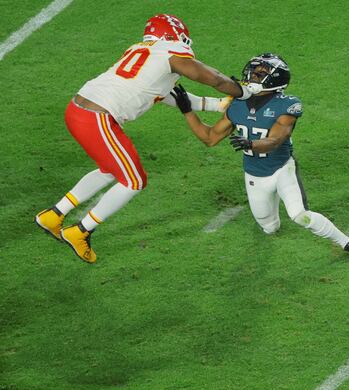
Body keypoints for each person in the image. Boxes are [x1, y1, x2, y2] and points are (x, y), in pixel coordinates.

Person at [34, 14, 261, 263]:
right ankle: (81, 231)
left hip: (79, 110)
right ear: (174, 35)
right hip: (98, 118)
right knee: (134, 181)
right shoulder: (171, 53)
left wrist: (219, 105)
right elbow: (213, 78)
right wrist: (242, 91)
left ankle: (54, 215)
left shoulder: (143, 52)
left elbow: (164, 94)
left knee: (111, 168)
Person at [169, 53, 349, 261]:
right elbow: (209, 138)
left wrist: (251, 144)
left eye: (261, 73)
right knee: (269, 227)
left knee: (300, 215)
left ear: (276, 78)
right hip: (255, 174)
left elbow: (276, 140)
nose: (254, 76)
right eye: (254, 71)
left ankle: (348, 242)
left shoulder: (287, 104)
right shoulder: (236, 105)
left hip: (282, 169)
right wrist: (187, 111)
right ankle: (271, 222)